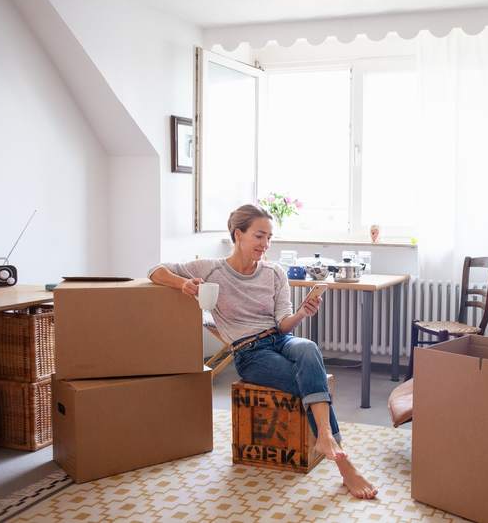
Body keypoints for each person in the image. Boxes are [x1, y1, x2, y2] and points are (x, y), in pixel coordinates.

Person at [148, 204, 377, 500]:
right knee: (310, 381)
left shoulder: (275, 272)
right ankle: (346, 467)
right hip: (249, 353)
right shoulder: (211, 269)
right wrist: (184, 284)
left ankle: (325, 437)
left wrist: (303, 313)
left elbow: (283, 325)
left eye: (269, 237)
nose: (265, 245)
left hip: (281, 340)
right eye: (259, 236)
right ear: (238, 234)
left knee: (307, 348)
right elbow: (155, 271)